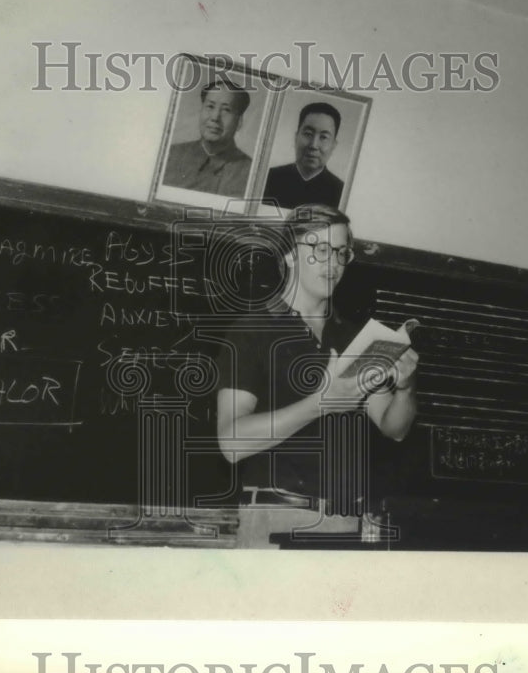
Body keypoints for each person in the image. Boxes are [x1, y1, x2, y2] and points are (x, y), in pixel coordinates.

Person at [215, 204, 419, 547]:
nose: (334, 263)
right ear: (290, 254)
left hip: (347, 523)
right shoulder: (252, 329)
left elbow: (394, 428)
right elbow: (230, 442)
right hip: (277, 518)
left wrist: (405, 386)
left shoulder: (355, 337)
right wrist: (321, 404)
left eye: (341, 252)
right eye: (321, 250)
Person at [161, 77, 253, 198]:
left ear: (239, 121)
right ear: (201, 110)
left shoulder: (250, 172)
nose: (215, 117)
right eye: (210, 106)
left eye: (226, 109)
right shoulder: (171, 155)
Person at [262, 102, 345, 209]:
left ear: (334, 145)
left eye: (324, 137)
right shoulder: (268, 178)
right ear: (296, 137)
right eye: (308, 134)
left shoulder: (340, 191)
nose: (314, 145)